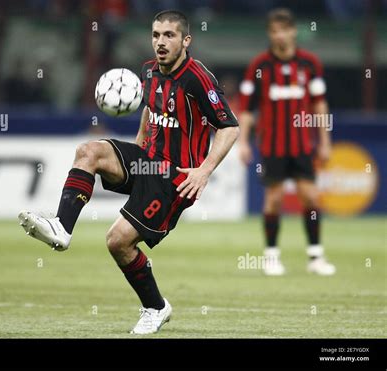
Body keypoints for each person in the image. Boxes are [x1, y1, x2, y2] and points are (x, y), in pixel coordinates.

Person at [19, 10, 239, 334]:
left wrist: (204, 171)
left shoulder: (197, 78)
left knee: (117, 241)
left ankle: (156, 307)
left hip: (174, 178)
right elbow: (150, 109)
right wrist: (135, 150)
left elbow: (229, 127)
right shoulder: (148, 71)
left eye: (169, 36)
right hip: (146, 160)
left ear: (185, 40)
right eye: (156, 35)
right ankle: (62, 227)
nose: (160, 42)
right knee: (88, 152)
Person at [238, 8, 335, 276]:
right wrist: (244, 142)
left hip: (303, 144)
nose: (279, 35)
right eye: (274, 31)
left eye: (284, 29)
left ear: (293, 31)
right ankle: (271, 256)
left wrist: (325, 140)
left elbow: (320, 104)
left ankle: (315, 256)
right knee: (274, 199)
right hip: (272, 145)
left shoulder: (309, 63)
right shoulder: (259, 66)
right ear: (269, 34)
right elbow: (246, 108)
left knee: (311, 198)